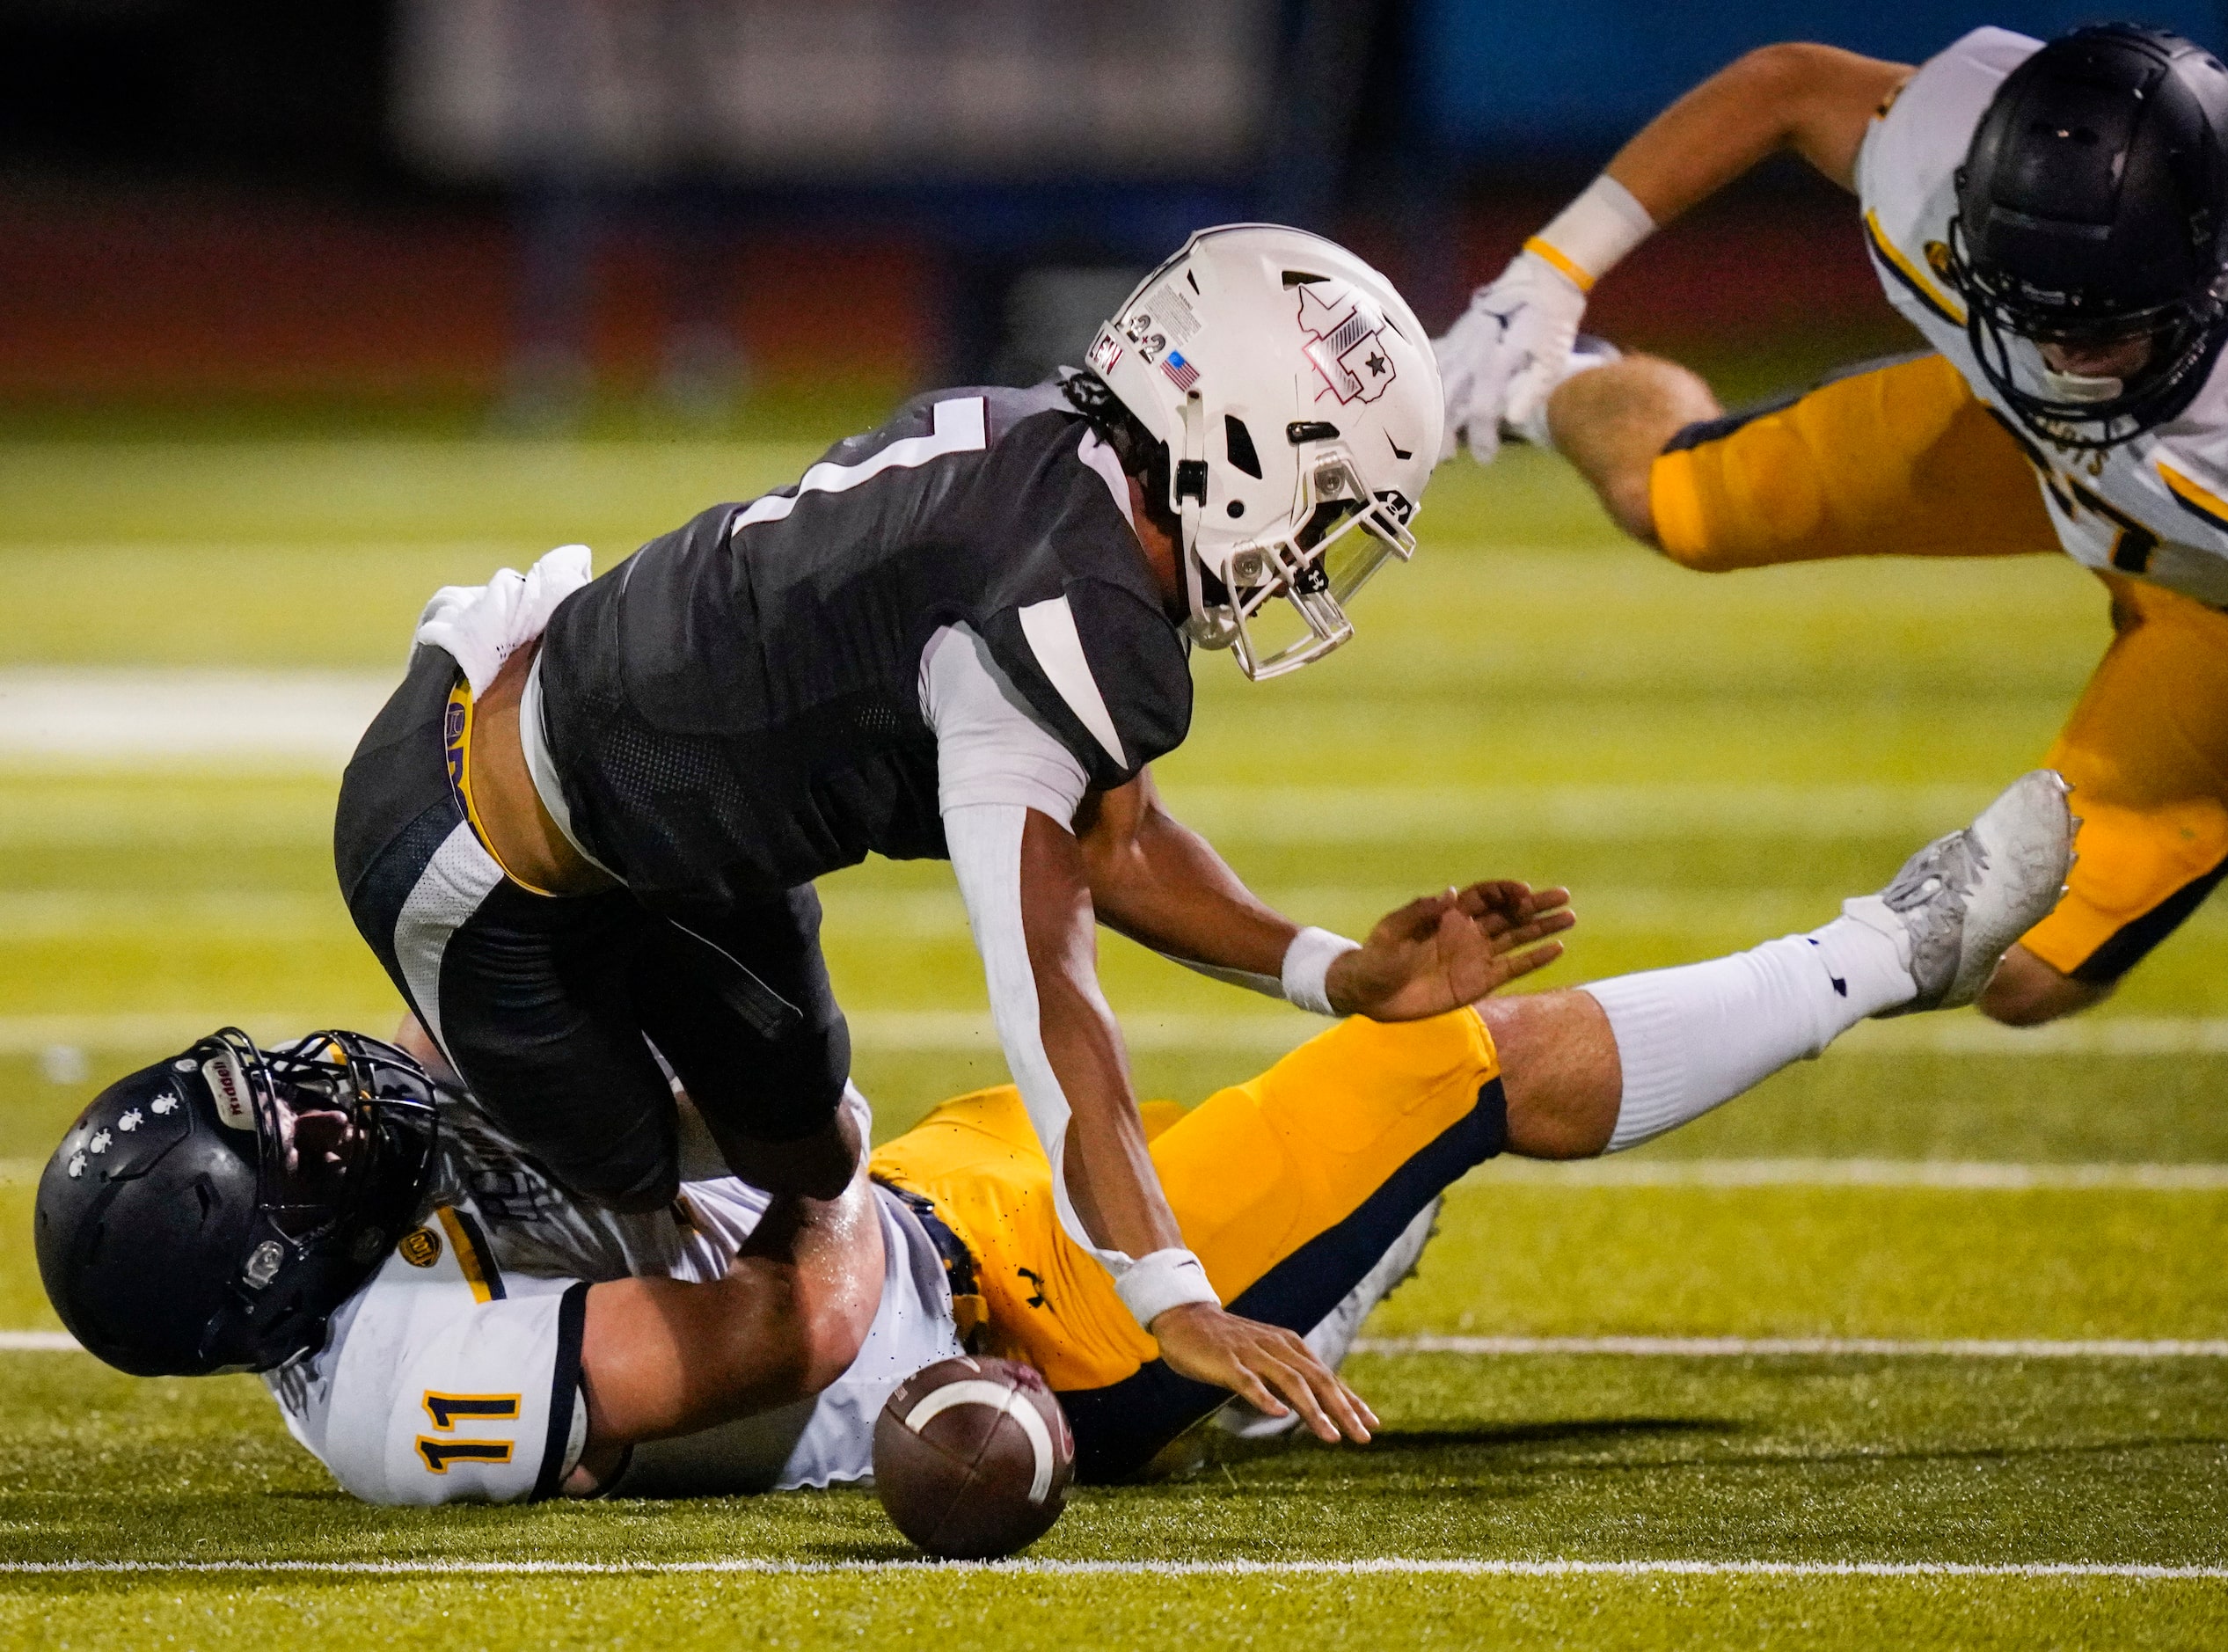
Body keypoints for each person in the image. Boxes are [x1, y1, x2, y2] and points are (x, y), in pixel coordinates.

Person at [336, 223, 1570, 1422]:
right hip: (483, 855)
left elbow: (1115, 843)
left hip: (688, 851)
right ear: (1230, 437)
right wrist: (1168, 1290)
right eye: (1324, 503)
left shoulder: (1065, 473)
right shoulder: (1050, 602)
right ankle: (350, 1115)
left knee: (808, 1146)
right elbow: (1048, 992)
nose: (1308, 557)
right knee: (619, 1173)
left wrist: (1337, 972)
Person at [39, 775, 2074, 1502]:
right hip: (1012, 1329)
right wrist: (785, 1106)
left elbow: (474, 1023)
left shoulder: (350, 1216)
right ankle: (1886, 952)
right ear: (278, 1271)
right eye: (298, 1131)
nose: (329, 1089)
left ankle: (1339, 1211)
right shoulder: (416, 1390)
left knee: (1377, 1101)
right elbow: (796, 1328)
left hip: (957, 1190)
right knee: (1456, 1070)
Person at [1433, 25, 2228, 1096]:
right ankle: (1532, 386)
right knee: (1677, 504)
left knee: (2019, 972)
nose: (2060, 354)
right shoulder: (1950, 142)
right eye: (2028, 308)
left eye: (2100, 329)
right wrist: (1546, 276)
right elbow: (1783, 86)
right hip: (2018, 443)